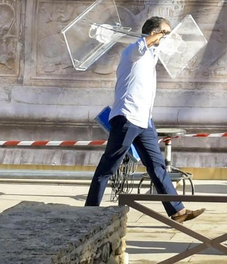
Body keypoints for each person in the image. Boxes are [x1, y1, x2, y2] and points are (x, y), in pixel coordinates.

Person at [84, 18, 204, 224]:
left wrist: (166, 39)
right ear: (155, 33)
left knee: (157, 165)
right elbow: (142, 45)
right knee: (109, 166)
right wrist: (159, 36)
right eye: (166, 33)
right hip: (127, 117)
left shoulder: (152, 55)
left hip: (144, 120)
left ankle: (177, 210)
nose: (169, 37)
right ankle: (89, 210)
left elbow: (155, 48)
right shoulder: (132, 51)